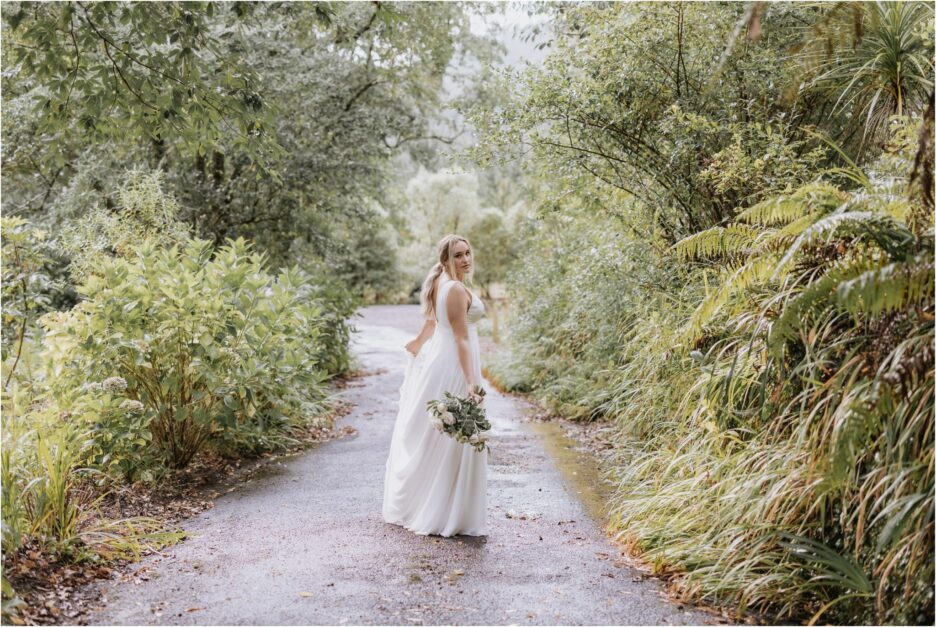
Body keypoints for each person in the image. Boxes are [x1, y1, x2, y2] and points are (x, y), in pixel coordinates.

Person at [382, 234, 488, 537]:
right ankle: (445, 513)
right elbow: (461, 338)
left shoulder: (441, 279)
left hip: (442, 361)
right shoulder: (454, 288)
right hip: (455, 365)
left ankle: (439, 505)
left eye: (467, 253)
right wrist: (471, 383)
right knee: (453, 437)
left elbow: (432, 321)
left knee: (444, 438)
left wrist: (417, 342)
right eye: (457, 255)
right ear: (445, 260)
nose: (465, 259)